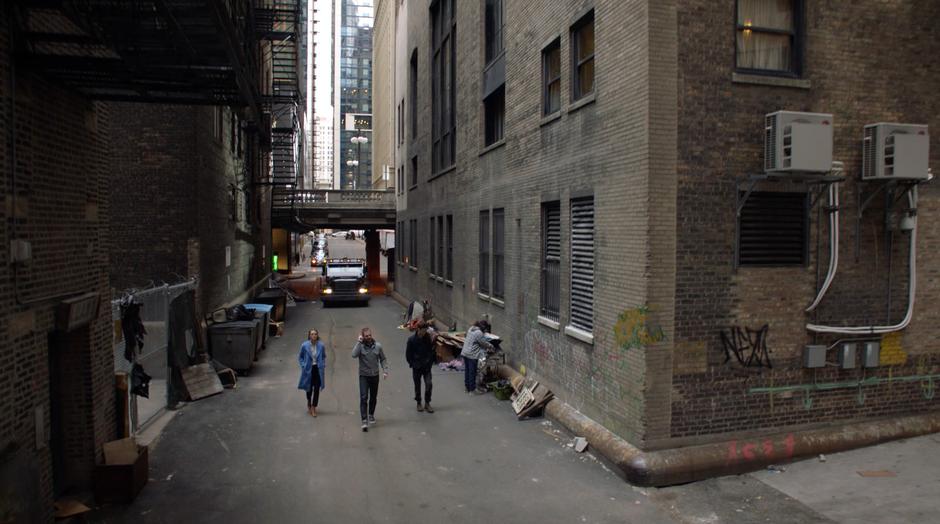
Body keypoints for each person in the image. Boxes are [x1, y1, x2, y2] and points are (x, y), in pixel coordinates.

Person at [352, 328, 388, 432]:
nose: (368, 337)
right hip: (364, 376)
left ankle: (371, 414)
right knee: (364, 397)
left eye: (369, 335)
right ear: (362, 336)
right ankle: (364, 420)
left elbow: (383, 359)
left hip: (374, 376)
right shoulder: (360, 347)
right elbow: (353, 355)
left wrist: (385, 370)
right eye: (366, 336)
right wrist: (358, 342)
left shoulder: (378, 346)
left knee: (373, 397)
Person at [406, 321, 436, 413]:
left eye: (425, 330)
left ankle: (427, 403)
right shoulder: (411, 340)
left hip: (426, 366)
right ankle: (419, 402)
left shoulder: (427, 338)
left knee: (429, 384)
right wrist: (412, 364)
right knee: (417, 385)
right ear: (418, 329)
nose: (424, 332)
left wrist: (430, 362)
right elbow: (408, 355)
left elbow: (431, 351)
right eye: (423, 330)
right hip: (417, 367)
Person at [298, 329, 326, 417]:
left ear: (317, 335)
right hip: (308, 369)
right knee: (309, 388)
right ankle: (309, 401)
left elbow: (324, 356)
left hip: (317, 369)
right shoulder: (304, 345)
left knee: (317, 388)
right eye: (312, 334)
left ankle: (314, 407)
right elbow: (300, 357)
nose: (314, 335)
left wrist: (322, 364)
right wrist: (303, 365)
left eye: (315, 334)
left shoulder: (321, 345)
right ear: (309, 336)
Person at [460, 320, 494, 394]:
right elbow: (483, 343)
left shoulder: (471, 328)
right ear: (483, 327)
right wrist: (491, 346)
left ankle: (467, 388)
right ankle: (472, 390)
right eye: (485, 330)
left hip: (465, 352)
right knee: (472, 372)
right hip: (472, 354)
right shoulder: (478, 332)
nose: (485, 331)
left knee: (467, 371)